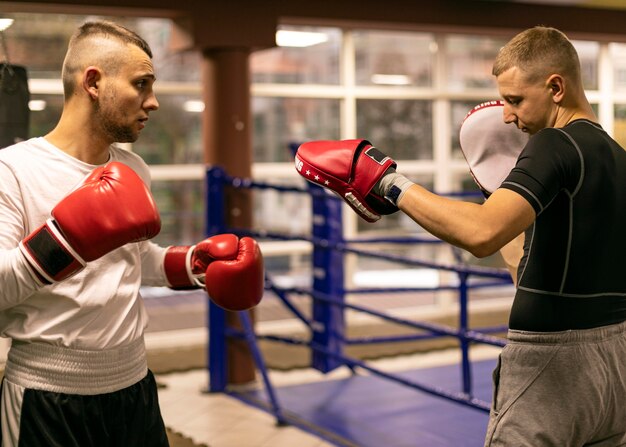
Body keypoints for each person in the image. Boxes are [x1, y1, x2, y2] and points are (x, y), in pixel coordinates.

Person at [295, 26, 626, 446]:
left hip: (551, 366)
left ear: (556, 87)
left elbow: (481, 233)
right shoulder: (617, 158)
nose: (507, 115)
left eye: (515, 100)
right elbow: (535, 273)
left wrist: (389, 183)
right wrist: (511, 201)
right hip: (615, 369)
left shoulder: (553, 146)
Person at [0, 20, 264, 446]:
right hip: (45, 396)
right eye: (141, 84)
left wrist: (192, 264)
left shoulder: (131, 168)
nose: (153, 102)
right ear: (93, 82)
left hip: (133, 386)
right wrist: (66, 240)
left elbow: (132, 258)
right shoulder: (13, 170)